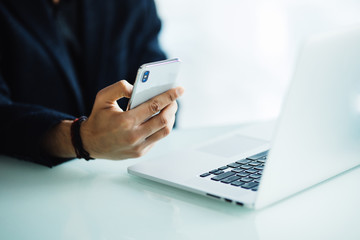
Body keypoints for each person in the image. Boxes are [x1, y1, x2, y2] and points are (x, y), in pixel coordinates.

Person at [0, 0, 184, 167]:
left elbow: (153, 70)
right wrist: (80, 139)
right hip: (24, 180)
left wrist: (159, 116)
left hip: (124, 173)